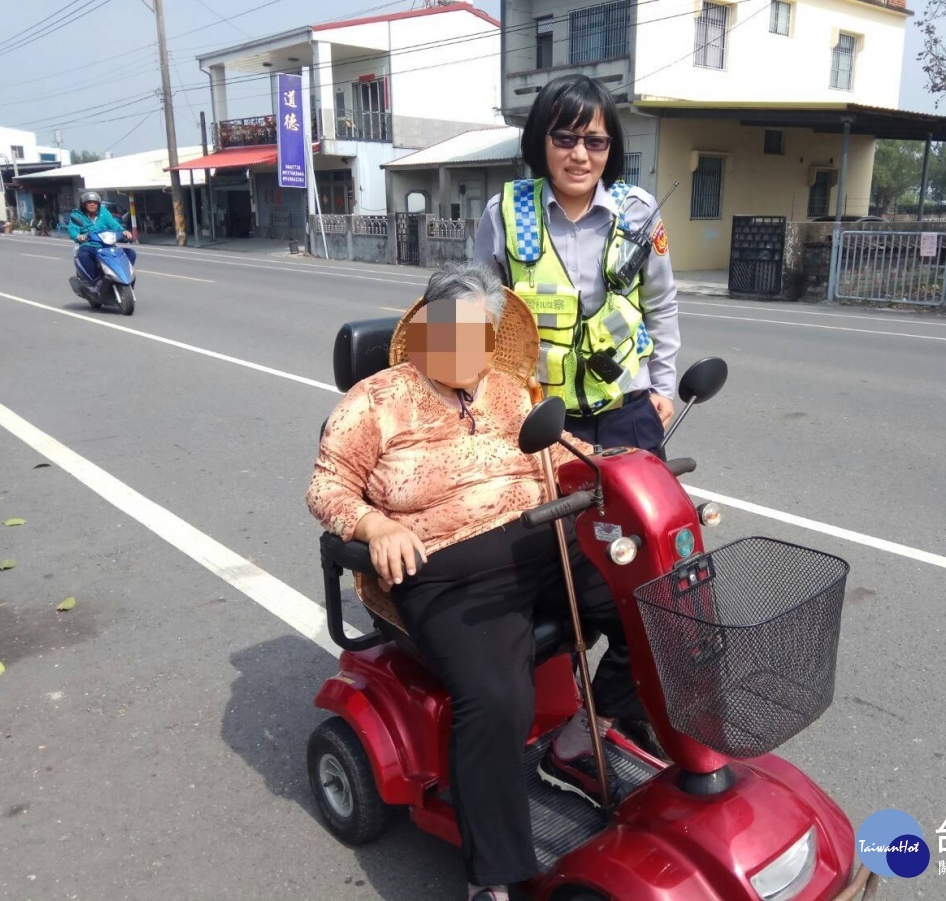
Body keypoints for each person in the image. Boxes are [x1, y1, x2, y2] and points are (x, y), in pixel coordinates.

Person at [306, 263, 651, 901]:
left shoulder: (508, 390)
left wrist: (622, 472)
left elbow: (561, 449)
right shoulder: (376, 400)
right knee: (496, 699)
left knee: (651, 605)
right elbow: (327, 487)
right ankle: (492, 877)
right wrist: (375, 527)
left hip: (544, 543)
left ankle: (578, 743)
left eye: (480, 334)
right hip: (443, 574)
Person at [474, 74, 680, 458]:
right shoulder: (504, 214)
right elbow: (479, 317)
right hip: (540, 416)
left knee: (645, 514)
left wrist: (663, 388)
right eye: (565, 138)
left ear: (610, 147)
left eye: (595, 141)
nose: (580, 155)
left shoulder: (638, 212)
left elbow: (662, 304)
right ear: (541, 140)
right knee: (548, 519)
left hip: (630, 408)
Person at [66, 190, 134, 289]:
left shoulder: (104, 212)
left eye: (95, 203)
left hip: (106, 245)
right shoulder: (78, 215)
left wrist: (124, 231)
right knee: (83, 254)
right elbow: (72, 229)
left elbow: (113, 224)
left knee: (130, 253)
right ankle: (97, 280)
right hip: (89, 245)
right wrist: (78, 236)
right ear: (84, 204)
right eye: (89, 202)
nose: (92, 204)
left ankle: (123, 275)